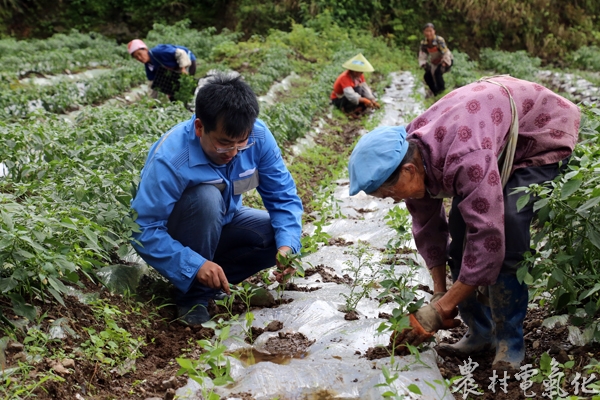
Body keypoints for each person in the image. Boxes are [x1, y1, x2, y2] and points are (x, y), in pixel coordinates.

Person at [348, 76, 580, 370]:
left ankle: (510, 340)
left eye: (390, 193)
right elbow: (428, 229)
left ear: (409, 170)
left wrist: (440, 310)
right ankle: (480, 333)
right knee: (461, 238)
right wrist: (438, 293)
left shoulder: (464, 156)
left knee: (507, 227)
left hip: (538, 130)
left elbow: (488, 239)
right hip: (489, 137)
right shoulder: (411, 157)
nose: (393, 200)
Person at [131, 72, 303, 325]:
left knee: (276, 235)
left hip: (224, 222)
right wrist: (193, 264)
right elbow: (143, 228)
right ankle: (193, 296)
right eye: (223, 144)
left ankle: (216, 283)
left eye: (240, 143)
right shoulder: (171, 158)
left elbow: (283, 197)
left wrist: (287, 246)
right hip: (179, 234)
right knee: (206, 197)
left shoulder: (259, 138)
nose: (232, 153)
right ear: (200, 127)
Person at [127, 39, 197, 100]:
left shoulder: (158, 52)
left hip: (187, 61)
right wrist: (152, 102)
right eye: (136, 57)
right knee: (173, 95)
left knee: (186, 87)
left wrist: (183, 68)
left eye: (140, 54)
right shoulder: (149, 66)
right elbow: (152, 84)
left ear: (145, 49)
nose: (139, 58)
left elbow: (181, 53)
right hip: (174, 69)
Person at [330, 53, 380, 118]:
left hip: (351, 96)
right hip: (339, 99)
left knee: (368, 93)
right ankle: (348, 111)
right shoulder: (345, 77)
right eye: (360, 71)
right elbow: (350, 95)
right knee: (358, 90)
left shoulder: (360, 76)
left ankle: (357, 109)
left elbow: (365, 89)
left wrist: (372, 100)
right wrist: (365, 100)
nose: (362, 73)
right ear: (355, 71)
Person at [418, 23, 453, 96]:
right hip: (434, 61)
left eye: (430, 31)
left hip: (446, 59)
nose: (428, 33)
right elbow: (422, 55)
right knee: (427, 76)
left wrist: (443, 62)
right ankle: (435, 92)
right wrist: (424, 64)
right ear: (424, 32)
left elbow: (445, 52)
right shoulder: (424, 43)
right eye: (427, 31)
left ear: (434, 31)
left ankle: (442, 92)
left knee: (437, 73)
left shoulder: (439, 40)